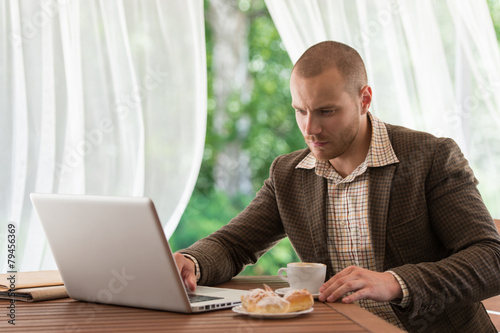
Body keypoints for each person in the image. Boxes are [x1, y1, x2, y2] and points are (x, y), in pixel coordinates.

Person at [173, 41, 500, 332]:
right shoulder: (289, 175)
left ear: (364, 99)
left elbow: (491, 258)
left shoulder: (430, 157)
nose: (310, 128)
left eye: (326, 111)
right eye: (300, 111)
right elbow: (233, 245)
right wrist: (192, 262)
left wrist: (394, 282)